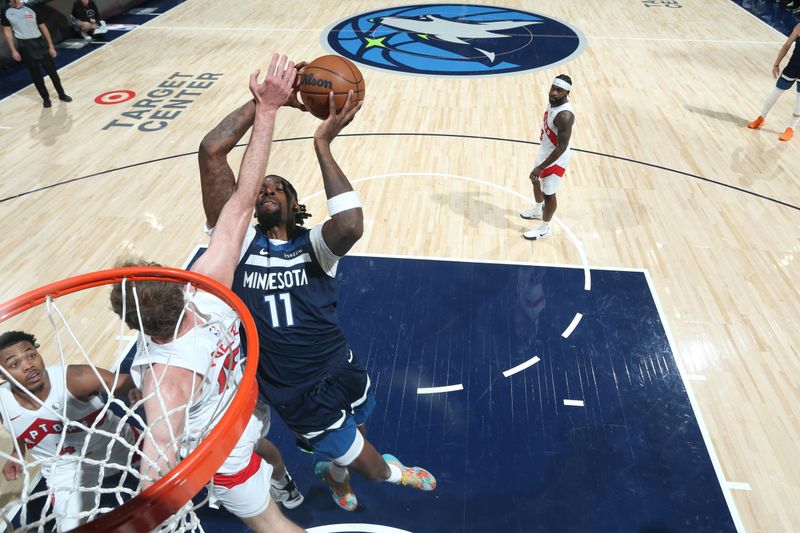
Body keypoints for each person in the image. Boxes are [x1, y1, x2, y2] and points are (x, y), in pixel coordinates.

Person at [198, 89, 437, 512]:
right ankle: (394, 473)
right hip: (295, 392)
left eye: (278, 188)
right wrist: (266, 102)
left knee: (357, 425)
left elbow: (350, 222)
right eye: (261, 188)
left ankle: (333, 473)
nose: (266, 189)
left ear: (294, 205)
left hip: (339, 366)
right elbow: (212, 151)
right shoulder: (237, 244)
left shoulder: (315, 248)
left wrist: (322, 144)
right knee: (369, 464)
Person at [110, 53, 304, 532]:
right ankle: (281, 479)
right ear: (178, 283)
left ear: (133, 325)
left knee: (273, 526)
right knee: (262, 453)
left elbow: (155, 468)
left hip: (221, 445)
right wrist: (269, 110)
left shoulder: (163, 379)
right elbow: (242, 201)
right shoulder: (208, 290)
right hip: (241, 399)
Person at [0, 330, 140, 531]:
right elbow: (19, 426)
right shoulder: (2, 403)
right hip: (65, 470)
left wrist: (134, 391)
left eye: (31, 355)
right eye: (14, 364)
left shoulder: (75, 378)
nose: (28, 365)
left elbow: (127, 383)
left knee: (175, 485)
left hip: (118, 446)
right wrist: (17, 452)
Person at [519, 74, 575, 241]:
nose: (554, 93)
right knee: (535, 180)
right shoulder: (553, 103)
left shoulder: (565, 115)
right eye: (553, 88)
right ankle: (537, 209)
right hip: (546, 151)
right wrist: (544, 133)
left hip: (557, 158)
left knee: (549, 194)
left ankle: (545, 228)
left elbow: (562, 146)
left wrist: (541, 166)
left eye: (559, 90)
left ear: (567, 93)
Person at [1, 0, 72, 108]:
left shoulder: (31, 7)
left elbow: (43, 27)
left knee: (52, 72)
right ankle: (46, 99)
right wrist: (13, 50)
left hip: (40, 43)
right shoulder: (6, 11)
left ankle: (61, 94)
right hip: (24, 45)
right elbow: (7, 31)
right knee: (36, 74)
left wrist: (50, 46)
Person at [748, 23, 800, 142]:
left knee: (799, 101)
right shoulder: (799, 27)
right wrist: (776, 64)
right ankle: (761, 118)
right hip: (792, 67)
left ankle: (790, 129)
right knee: (775, 93)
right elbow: (787, 45)